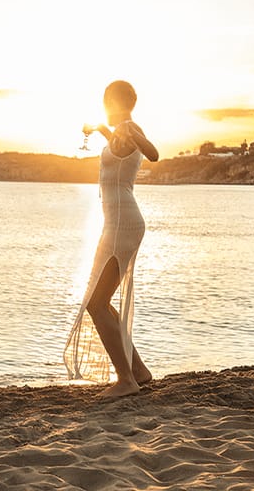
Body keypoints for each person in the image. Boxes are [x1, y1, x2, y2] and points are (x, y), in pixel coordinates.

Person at [64, 80, 159, 399]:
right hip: (120, 222)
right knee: (102, 301)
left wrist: (133, 135)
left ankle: (125, 380)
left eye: (105, 102)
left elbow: (154, 153)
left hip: (121, 223)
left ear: (112, 101)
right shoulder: (122, 131)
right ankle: (139, 370)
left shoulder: (131, 129)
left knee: (96, 302)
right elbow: (120, 148)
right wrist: (101, 127)